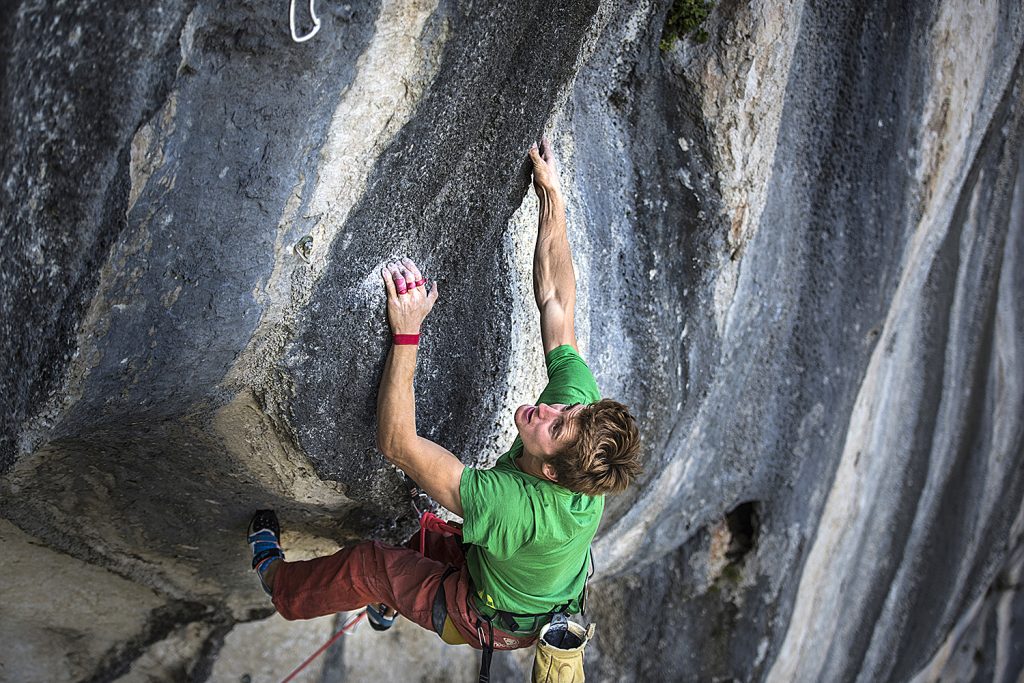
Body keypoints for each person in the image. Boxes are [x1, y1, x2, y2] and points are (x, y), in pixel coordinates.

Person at [246, 137, 642, 658]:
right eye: (566, 409)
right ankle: (392, 602)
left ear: (550, 472)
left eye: (554, 426)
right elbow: (557, 305)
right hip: (522, 582)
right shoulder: (579, 430)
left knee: (370, 565)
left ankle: (279, 584)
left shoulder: (514, 508)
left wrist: (407, 332)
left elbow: (398, 443)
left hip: (482, 612)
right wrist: (552, 199)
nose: (548, 408)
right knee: (432, 533)